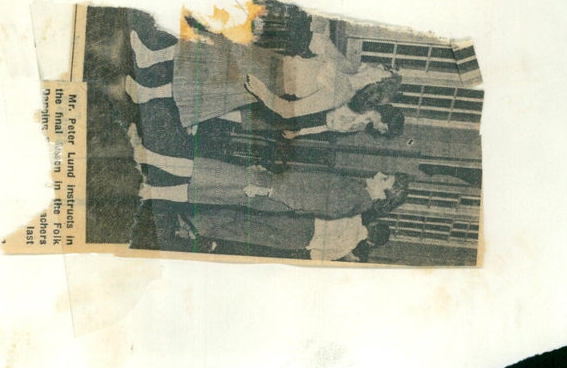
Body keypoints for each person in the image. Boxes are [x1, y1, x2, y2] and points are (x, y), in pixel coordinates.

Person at [126, 20, 399, 128]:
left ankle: (146, 94)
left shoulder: (342, 94)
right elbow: (318, 41)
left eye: (384, 68)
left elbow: (289, 111)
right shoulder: (346, 67)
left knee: (204, 83)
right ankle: (151, 57)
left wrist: (261, 92)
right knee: (208, 47)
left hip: (270, 81)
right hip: (272, 61)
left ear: (378, 82)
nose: (379, 64)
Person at [127, 125, 409, 218]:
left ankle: (145, 157)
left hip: (268, 193)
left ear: (385, 193)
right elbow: (306, 185)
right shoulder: (357, 192)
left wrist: (268, 189)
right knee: (205, 184)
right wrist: (268, 178)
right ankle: (149, 189)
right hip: (269, 187)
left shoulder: (354, 199)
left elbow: (306, 201)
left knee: (204, 172)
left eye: (385, 179)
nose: (380, 174)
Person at [171, 208, 391, 262]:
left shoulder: (354, 214)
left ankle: (196, 222)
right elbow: (315, 256)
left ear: (373, 223)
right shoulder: (347, 247)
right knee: (245, 233)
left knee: (248, 214)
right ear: (371, 242)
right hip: (297, 240)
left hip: (301, 220)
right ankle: (193, 232)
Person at [281, 102, 406, 140]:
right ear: (385, 119)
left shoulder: (362, 126)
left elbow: (327, 127)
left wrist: (298, 133)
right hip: (313, 110)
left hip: (313, 122)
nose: (381, 131)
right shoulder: (363, 104)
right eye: (384, 129)